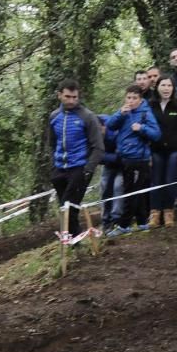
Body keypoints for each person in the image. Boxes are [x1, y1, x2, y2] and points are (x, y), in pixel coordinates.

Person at [47, 79, 104, 237]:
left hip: (80, 168)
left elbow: (99, 147)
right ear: (59, 95)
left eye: (75, 97)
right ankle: (75, 240)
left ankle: (71, 243)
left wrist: (88, 169)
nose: (71, 100)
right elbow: (52, 143)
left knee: (69, 207)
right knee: (65, 208)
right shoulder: (54, 116)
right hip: (59, 168)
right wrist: (53, 167)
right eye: (67, 96)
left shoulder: (88, 116)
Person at [105, 85, 161, 235]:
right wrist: (119, 114)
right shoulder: (123, 112)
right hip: (124, 158)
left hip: (139, 158)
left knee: (132, 192)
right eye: (129, 97)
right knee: (133, 190)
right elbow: (110, 125)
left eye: (134, 98)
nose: (131, 101)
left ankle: (124, 225)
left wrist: (141, 128)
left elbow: (156, 134)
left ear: (140, 99)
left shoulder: (145, 113)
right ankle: (142, 222)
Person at [149, 74, 177, 227]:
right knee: (156, 181)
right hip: (155, 150)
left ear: (173, 88)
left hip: (175, 151)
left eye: (169, 85)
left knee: (170, 180)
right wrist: (147, 154)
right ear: (157, 87)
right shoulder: (150, 106)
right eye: (163, 85)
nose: (166, 89)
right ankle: (154, 213)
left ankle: (168, 212)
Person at [97, 114, 124, 233]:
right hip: (109, 163)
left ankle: (116, 218)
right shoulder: (89, 135)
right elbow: (93, 156)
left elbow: (123, 150)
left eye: (99, 131)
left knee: (118, 186)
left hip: (123, 162)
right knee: (104, 187)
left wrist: (104, 156)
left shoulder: (114, 129)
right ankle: (105, 220)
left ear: (103, 127)